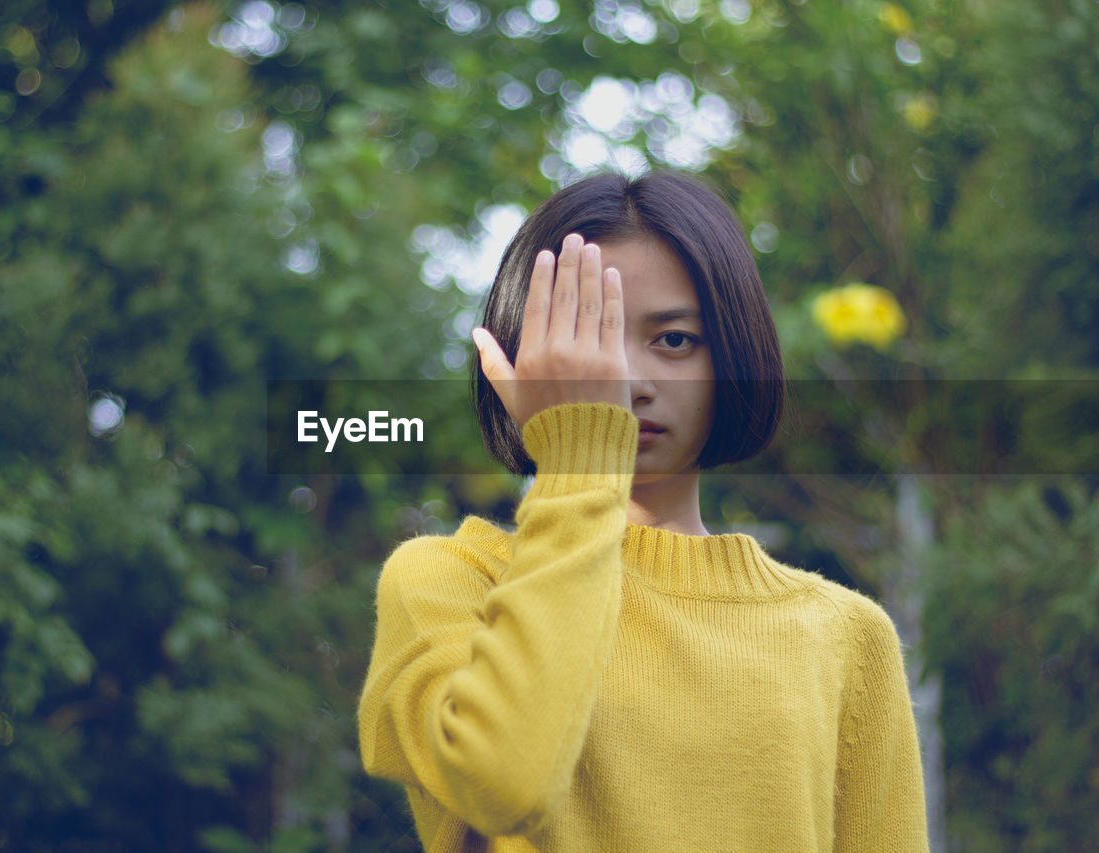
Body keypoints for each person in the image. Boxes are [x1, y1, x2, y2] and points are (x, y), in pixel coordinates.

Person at [357, 171, 928, 851]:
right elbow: (504, 782)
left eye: (675, 340)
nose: (626, 381)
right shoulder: (448, 582)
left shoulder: (848, 634)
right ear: (514, 362)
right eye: (587, 342)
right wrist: (577, 459)